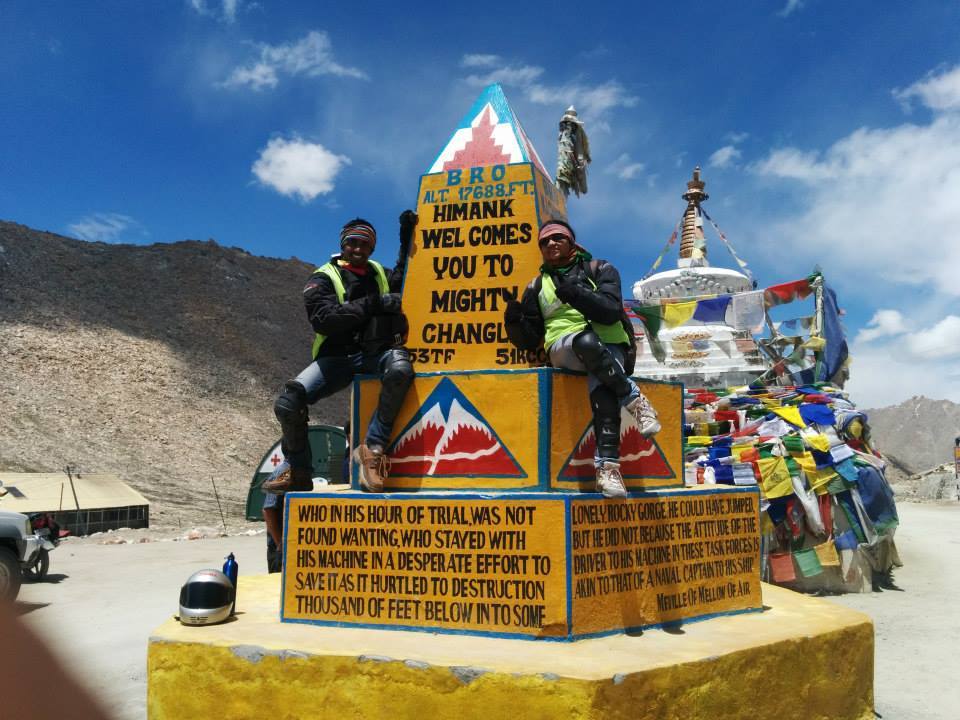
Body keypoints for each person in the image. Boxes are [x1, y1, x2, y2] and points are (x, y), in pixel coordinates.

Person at [261, 212, 417, 532]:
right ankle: (298, 470)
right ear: (343, 245)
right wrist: (373, 305)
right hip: (337, 357)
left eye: (366, 243)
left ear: (372, 248)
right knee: (289, 402)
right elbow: (325, 319)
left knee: (401, 368)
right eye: (353, 242)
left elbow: (404, 276)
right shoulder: (322, 277)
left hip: (375, 353)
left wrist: (405, 237)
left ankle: (372, 450)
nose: (359, 248)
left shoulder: (377, 273)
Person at [503, 219, 660, 498]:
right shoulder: (537, 285)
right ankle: (636, 400)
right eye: (544, 241)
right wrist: (515, 322)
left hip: (610, 343)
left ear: (571, 242)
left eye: (557, 238)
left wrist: (577, 294)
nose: (551, 244)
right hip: (564, 346)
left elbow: (611, 311)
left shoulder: (600, 269)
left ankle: (608, 469)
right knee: (587, 344)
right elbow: (530, 338)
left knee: (604, 393)